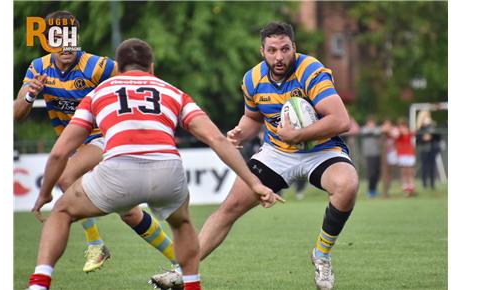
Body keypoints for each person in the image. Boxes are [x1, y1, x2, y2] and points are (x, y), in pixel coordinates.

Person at [26, 38, 282, 290]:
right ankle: (193, 286)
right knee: (182, 224)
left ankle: (39, 284)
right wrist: (254, 183)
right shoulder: (173, 92)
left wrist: (45, 193)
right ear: (151, 67)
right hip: (167, 170)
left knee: (61, 212)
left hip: (118, 170)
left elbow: (60, 153)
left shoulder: (98, 93)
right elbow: (216, 139)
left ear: (119, 66)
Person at [150, 21, 358, 290]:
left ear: (294, 47)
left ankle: (321, 255)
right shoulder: (252, 79)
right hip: (277, 153)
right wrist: (240, 132)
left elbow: (341, 120)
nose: (279, 56)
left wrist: (298, 135)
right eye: (272, 50)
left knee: (348, 184)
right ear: (262, 51)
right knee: (229, 208)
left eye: (285, 49)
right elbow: (253, 117)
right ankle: (182, 272)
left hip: (321, 150)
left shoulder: (311, 71)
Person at [14, 11, 178, 273]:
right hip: (75, 146)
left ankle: (96, 245)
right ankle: (180, 262)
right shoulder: (38, 68)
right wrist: (31, 95)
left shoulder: (96, 66)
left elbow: (140, 77)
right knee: (130, 213)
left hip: (103, 139)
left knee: (65, 177)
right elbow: (15, 114)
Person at [416, 110, 441, 190]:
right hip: (424, 149)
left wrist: (432, 133)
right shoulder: (420, 128)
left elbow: (438, 137)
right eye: (425, 116)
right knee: (425, 166)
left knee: (432, 166)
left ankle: (432, 184)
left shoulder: (433, 126)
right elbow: (418, 140)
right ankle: (424, 184)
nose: (427, 118)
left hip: (432, 149)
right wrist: (424, 139)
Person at [360, 115, 382, 198]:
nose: (372, 124)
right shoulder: (364, 129)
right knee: (371, 173)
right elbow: (367, 131)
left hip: (377, 154)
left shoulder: (376, 130)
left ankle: (374, 190)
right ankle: (370, 191)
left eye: (373, 123)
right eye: (370, 123)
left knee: (377, 173)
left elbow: (378, 130)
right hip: (369, 155)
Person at [393, 118, 416, 196]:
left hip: (409, 154)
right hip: (401, 154)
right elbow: (395, 136)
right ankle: (405, 187)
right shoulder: (397, 132)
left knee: (410, 171)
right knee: (403, 171)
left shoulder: (409, 132)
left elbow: (413, 132)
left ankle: (411, 187)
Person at [380, 118, 398, 198]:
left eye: (389, 124)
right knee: (384, 173)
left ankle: (388, 190)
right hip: (383, 155)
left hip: (392, 154)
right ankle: (385, 191)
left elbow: (396, 134)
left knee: (389, 173)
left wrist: (389, 131)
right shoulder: (381, 132)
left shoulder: (393, 131)